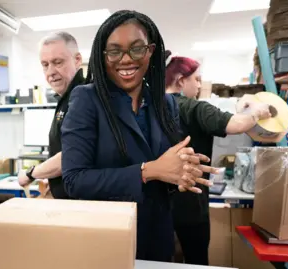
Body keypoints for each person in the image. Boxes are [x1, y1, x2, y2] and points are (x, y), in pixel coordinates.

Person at [60, 10, 217, 262]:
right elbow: (74, 180)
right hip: (108, 239)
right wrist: (148, 170)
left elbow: (168, 169)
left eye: (136, 49)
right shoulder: (87, 100)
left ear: (150, 51)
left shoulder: (166, 104)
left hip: (158, 237)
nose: (125, 59)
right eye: (114, 51)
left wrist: (182, 173)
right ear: (102, 55)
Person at [164, 51, 272, 265]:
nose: (198, 85)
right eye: (196, 79)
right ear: (180, 80)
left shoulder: (148, 110)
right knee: (196, 260)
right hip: (191, 205)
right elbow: (236, 125)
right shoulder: (194, 107)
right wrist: (258, 112)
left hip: (159, 207)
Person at [18, 32, 84, 199]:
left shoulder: (82, 97)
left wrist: (31, 173)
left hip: (80, 204)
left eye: (58, 62)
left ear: (77, 60)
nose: (51, 71)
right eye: (45, 65)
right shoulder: (67, 97)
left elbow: (71, 155)